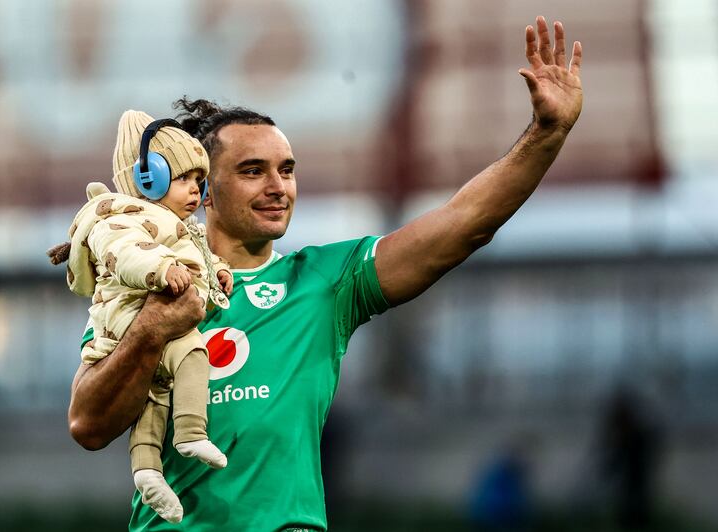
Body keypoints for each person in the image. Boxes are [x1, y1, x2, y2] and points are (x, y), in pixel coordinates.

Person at [67, 16, 583, 531]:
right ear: (202, 190)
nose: (278, 186)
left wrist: (546, 133)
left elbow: (464, 224)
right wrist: (153, 328)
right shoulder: (145, 284)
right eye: (253, 171)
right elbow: (88, 424)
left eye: (286, 170)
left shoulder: (322, 281)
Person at [51, 111, 235, 524]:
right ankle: (191, 433)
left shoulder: (176, 225)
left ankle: (148, 471)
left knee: (154, 396)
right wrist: (159, 273)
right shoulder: (120, 218)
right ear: (146, 177)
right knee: (191, 352)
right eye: (185, 179)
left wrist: (218, 269)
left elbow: (198, 255)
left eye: (198, 181)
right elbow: (127, 254)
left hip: (144, 312)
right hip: (130, 314)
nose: (197, 192)